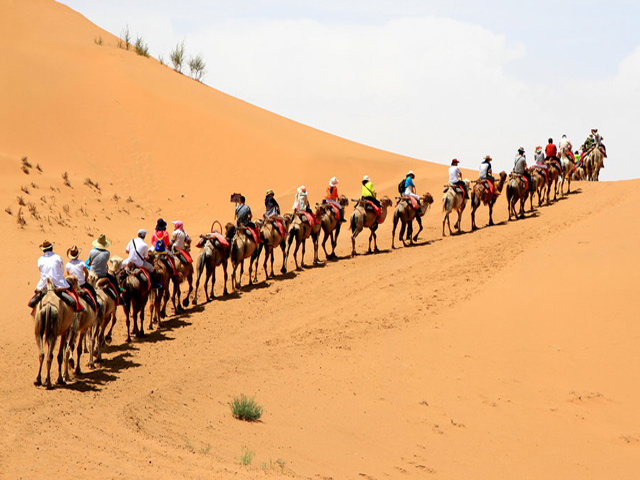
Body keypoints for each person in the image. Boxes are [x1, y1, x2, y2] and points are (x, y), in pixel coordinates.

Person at [27, 240, 81, 310]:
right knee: (71, 290)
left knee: (34, 301)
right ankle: (78, 307)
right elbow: (62, 270)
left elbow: (41, 272)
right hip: (59, 283)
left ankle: (33, 311)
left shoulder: (40, 260)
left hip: (44, 284)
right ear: (51, 248)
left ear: (43, 250)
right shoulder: (57, 257)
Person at [87, 233, 121, 304]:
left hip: (92, 275)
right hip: (102, 275)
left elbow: (89, 263)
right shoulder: (107, 253)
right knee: (114, 280)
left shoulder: (92, 251)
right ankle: (119, 299)